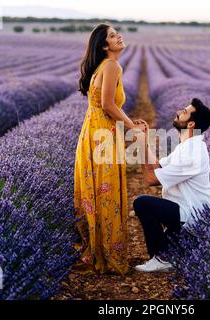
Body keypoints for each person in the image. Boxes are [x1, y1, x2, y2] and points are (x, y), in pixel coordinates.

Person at [74, 23, 147, 275]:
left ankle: (95, 253)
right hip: (104, 135)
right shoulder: (113, 66)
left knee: (94, 192)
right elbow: (107, 104)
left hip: (92, 133)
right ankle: (107, 257)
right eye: (114, 35)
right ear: (105, 45)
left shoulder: (101, 67)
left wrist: (130, 121)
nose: (119, 37)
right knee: (107, 194)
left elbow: (106, 104)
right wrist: (131, 127)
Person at [133, 98, 210, 272]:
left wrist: (140, 141)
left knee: (143, 204)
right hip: (183, 212)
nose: (178, 112)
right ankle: (175, 250)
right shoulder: (186, 147)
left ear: (191, 124)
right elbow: (157, 166)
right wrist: (144, 139)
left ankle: (162, 258)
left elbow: (150, 179)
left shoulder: (192, 153)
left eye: (183, 112)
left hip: (192, 219)